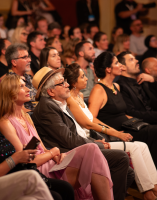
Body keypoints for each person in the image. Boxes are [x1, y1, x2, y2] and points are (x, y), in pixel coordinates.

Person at [0, 73, 114, 200]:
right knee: (92, 153)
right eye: (22, 86)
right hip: (35, 170)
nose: (28, 89)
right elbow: (25, 160)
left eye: (26, 85)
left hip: (47, 160)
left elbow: (41, 148)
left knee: (92, 149)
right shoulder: (5, 123)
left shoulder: (26, 117)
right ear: (10, 92)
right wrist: (53, 153)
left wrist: (56, 154)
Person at [31, 67, 134, 200]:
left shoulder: (59, 103)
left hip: (78, 147)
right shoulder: (47, 106)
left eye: (65, 81)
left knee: (129, 172)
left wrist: (97, 141)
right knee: (121, 158)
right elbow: (68, 139)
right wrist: (98, 145)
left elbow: (78, 131)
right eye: (62, 83)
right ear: (51, 91)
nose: (67, 85)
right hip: (66, 154)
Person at [64, 62, 157, 200]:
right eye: (82, 77)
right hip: (88, 141)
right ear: (73, 82)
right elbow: (87, 124)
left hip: (95, 137)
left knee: (142, 146)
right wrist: (116, 133)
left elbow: (93, 119)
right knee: (134, 148)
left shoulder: (79, 97)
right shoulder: (70, 99)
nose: (86, 79)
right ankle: (148, 192)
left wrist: (113, 130)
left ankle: (155, 185)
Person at [0, 88, 75, 200]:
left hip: (23, 169)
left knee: (65, 188)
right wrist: (16, 158)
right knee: (42, 185)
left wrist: (23, 153)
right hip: (1, 179)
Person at [88, 51, 157, 174]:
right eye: (116, 63)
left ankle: (154, 181)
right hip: (118, 132)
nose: (121, 66)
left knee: (153, 129)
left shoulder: (116, 86)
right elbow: (91, 118)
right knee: (156, 131)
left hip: (129, 127)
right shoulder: (98, 89)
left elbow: (122, 113)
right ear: (108, 69)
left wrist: (137, 121)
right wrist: (115, 133)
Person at [116, 51, 157, 124]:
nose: (137, 61)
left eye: (135, 58)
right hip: (142, 125)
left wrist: (153, 81)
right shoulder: (121, 86)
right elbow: (131, 113)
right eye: (131, 60)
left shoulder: (141, 82)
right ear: (122, 67)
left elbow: (155, 104)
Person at [5, 43, 36, 110]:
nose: (29, 60)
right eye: (24, 57)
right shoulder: (9, 82)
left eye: (28, 56)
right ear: (14, 62)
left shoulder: (29, 77)